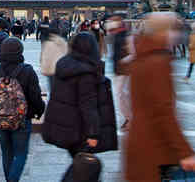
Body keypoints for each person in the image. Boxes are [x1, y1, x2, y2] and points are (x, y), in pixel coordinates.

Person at [124, 13, 195, 181]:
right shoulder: (158, 62)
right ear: (163, 32)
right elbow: (164, 112)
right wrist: (185, 152)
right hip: (155, 146)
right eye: (173, 29)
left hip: (139, 141)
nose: (177, 34)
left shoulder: (141, 56)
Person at [41, 32, 118, 176]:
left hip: (67, 127)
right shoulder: (85, 73)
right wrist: (93, 134)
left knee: (79, 166)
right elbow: (88, 106)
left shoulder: (65, 65)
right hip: (80, 129)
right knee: (84, 170)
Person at [0, 37, 46, 182]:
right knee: (21, 153)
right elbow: (35, 95)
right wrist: (39, 111)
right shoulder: (27, 70)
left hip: (0, 118)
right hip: (21, 119)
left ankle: (10, 179)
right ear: (20, 51)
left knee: (6, 153)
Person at [106, 13, 131, 130]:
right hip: (118, 69)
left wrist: (123, 60)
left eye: (112, 21)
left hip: (124, 70)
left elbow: (133, 53)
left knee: (122, 95)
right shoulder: (115, 35)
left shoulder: (125, 36)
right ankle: (129, 118)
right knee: (122, 95)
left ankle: (130, 119)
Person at [39, 23, 68, 93]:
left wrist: (44, 69)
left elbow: (44, 58)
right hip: (62, 70)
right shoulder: (63, 42)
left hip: (51, 71)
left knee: (53, 90)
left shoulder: (47, 43)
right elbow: (68, 55)